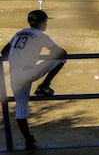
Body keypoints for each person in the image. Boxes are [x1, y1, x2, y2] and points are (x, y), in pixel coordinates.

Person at [1, 9, 67, 150]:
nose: (46, 24)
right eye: (45, 22)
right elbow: (60, 52)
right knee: (62, 58)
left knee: (21, 108)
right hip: (29, 72)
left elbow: (3, 52)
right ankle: (44, 85)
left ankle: (29, 140)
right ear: (42, 23)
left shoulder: (19, 32)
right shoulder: (41, 35)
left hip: (15, 75)